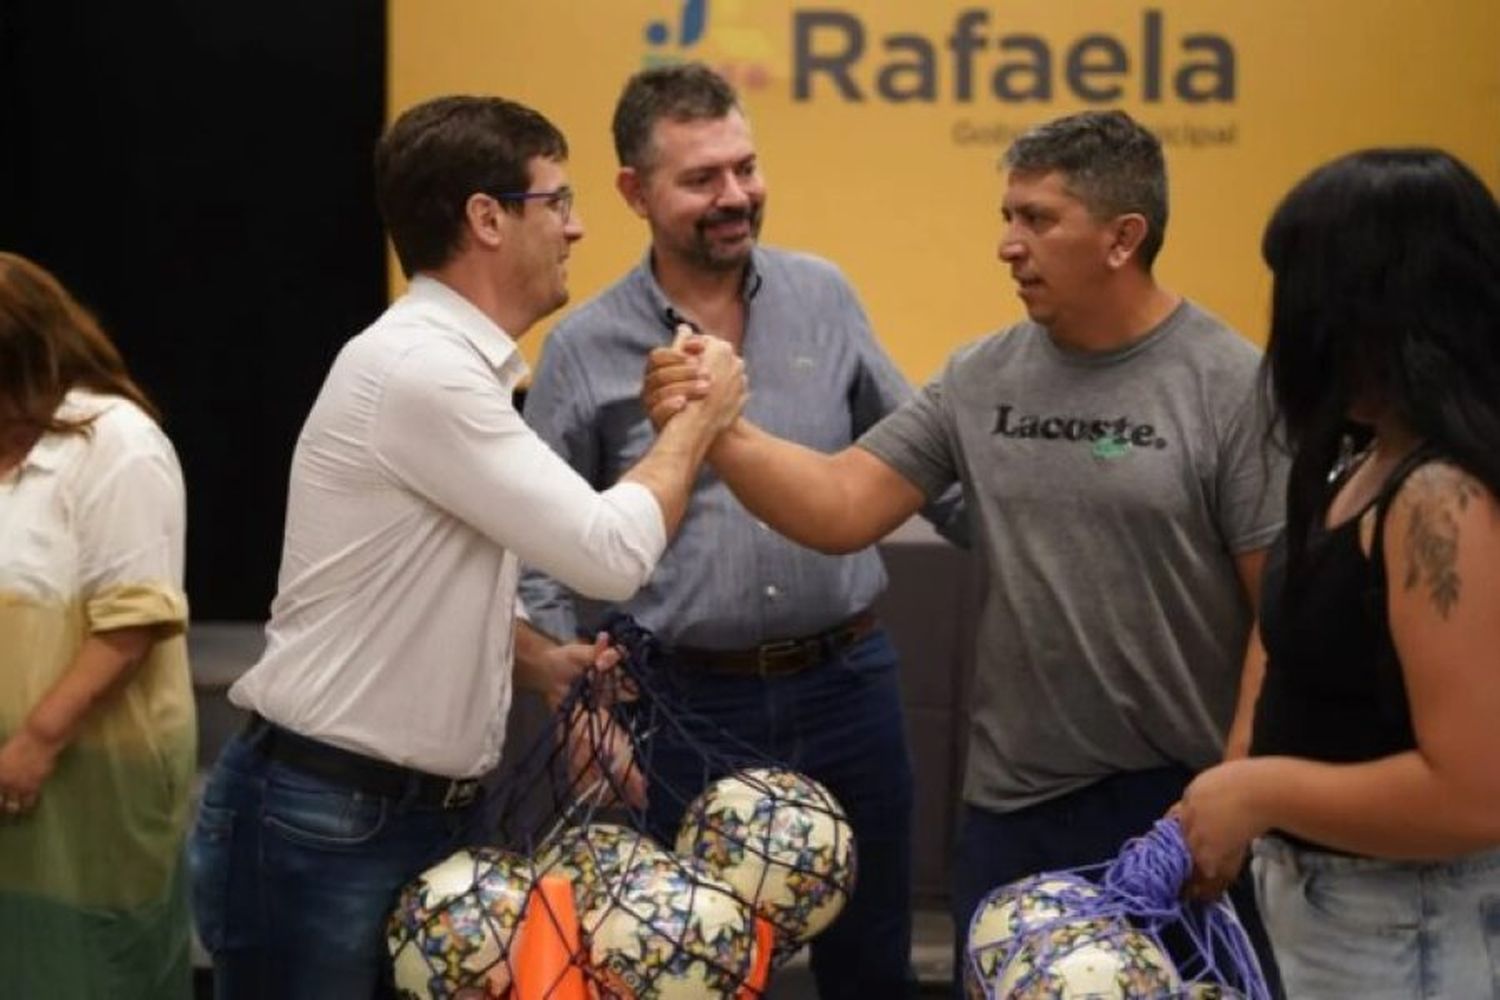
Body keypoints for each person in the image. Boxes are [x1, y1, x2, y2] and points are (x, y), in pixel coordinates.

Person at [645, 109, 1287, 985]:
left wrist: (1238, 795)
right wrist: (718, 429)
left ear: (1122, 238)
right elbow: (840, 504)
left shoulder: (1229, 383)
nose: (1008, 245)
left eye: (1038, 220)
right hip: (1013, 808)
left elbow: (1276, 616)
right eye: (1007, 217)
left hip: (1177, 804)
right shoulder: (981, 375)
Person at [187, 95, 745, 998]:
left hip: (387, 815)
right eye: (556, 201)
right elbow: (608, 553)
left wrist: (541, 662)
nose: (578, 226)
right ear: (486, 217)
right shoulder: (425, 369)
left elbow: (412, 582)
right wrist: (699, 423)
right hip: (332, 817)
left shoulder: (443, 366)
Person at [518, 62, 963, 1000]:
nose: (736, 196)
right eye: (702, 179)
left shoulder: (824, 296)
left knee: (872, 962)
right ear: (635, 193)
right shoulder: (584, 347)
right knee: (686, 973)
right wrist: (575, 707)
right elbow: (535, 550)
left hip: (848, 685)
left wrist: (1030, 535)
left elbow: (920, 461)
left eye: (745, 168)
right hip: (679, 705)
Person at [1178, 149, 1500, 998]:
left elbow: (1475, 793)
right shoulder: (1364, 456)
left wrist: (1259, 790)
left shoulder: (1438, 497)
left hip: (1409, 929)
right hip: (1341, 917)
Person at [0, 252, 194, 998]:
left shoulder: (116, 443)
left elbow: (131, 623)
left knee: (88, 967)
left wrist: (36, 740)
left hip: (87, 780)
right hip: (15, 779)